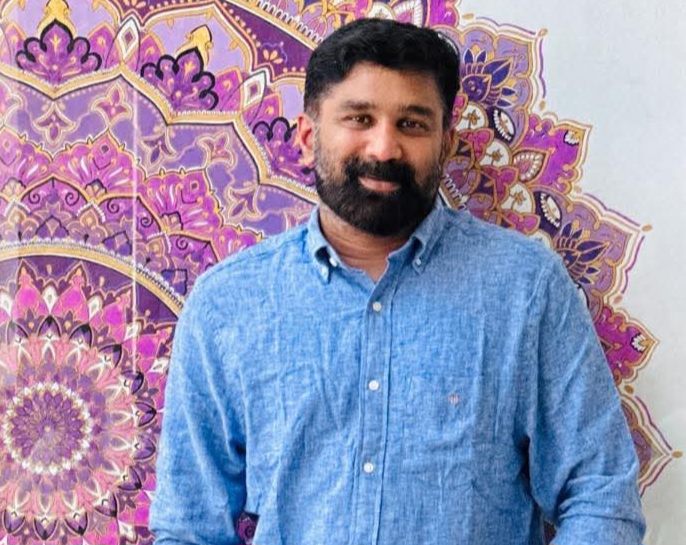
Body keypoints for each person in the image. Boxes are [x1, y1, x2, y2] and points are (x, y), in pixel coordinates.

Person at [149, 17, 645, 545]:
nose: (384, 148)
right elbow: (188, 528)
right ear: (309, 137)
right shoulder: (228, 304)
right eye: (359, 118)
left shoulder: (525, 290)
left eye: (411, 124)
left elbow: (600, 496)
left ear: (445, 144)